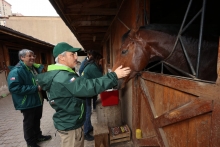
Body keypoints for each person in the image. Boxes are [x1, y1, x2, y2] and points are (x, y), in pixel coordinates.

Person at [35, 42, 131, 147]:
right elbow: (88, 87)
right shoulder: (63, 77)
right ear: (61, 58)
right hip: (71, 126)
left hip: (69, 122)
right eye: (72, 54)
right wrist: (114, 76)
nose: (76, 57)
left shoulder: (61, 74)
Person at [7, 49, 52, 147]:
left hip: (37, 100)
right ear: (22, 58)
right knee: (29, 123)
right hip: (27, 102)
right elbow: (14, 87)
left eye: (33, 55)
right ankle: (31, 143)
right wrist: (36, 88)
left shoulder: (33, 68)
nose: (32, 58)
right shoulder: (17, 71)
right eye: (29, 56)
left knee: (37, 119)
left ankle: (38, 136)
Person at [81, 51, 103, 141]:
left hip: (85, 91)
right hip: (85, 92)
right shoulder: (92, 67)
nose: (102, 62)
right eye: (101, 60)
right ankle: (85, 132)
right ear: (97, 59)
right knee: (87, 112)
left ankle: (89, 127)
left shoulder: (90, 65)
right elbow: (101, 79)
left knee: (88, 111)